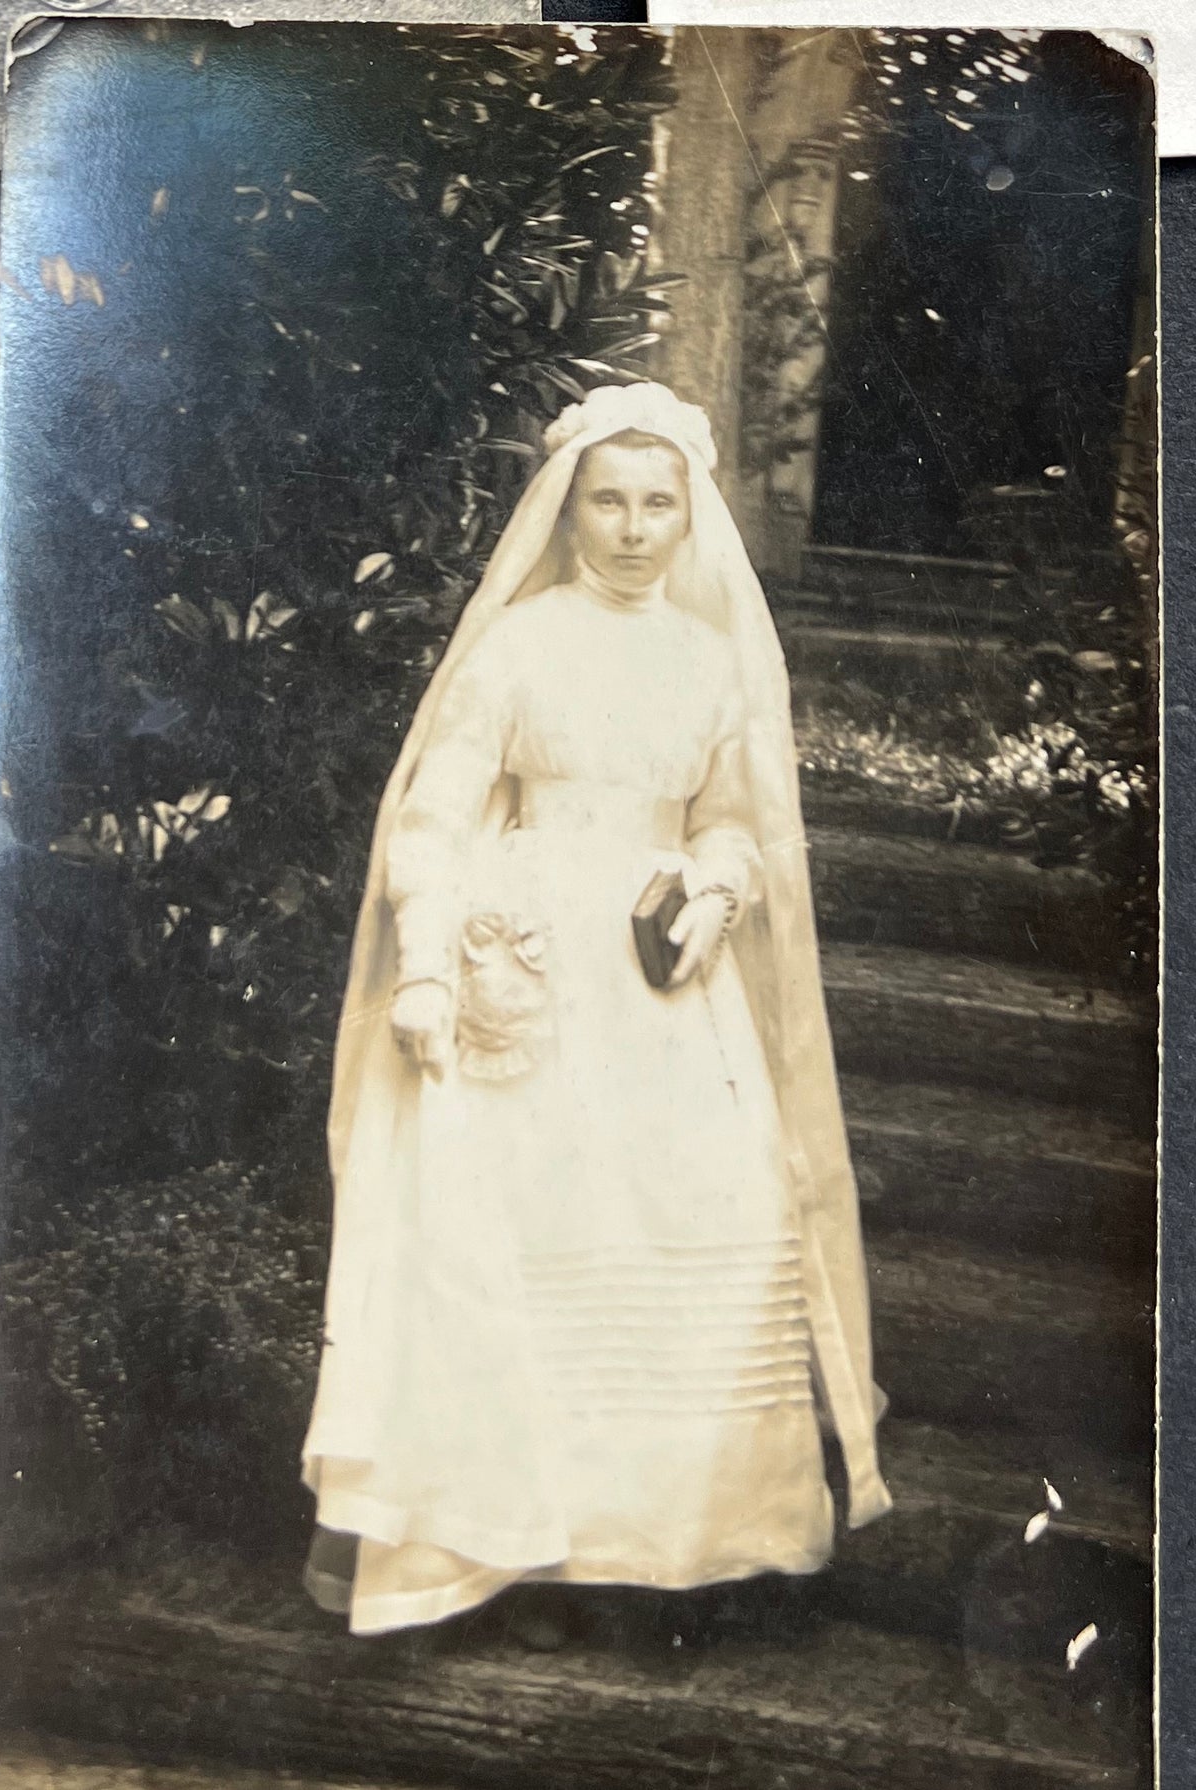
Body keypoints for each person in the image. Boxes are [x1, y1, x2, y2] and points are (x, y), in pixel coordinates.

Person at [300, 381, 891, 1638]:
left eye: (655, 504)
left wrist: (717, 883)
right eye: (607, 502)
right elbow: (433, 814)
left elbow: (727, 816)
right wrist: (425, 964)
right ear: (567, 512)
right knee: (533, 1240)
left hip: (662, 974)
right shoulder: (518, 645)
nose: (630, 529)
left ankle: (676, 1544)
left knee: (711, 1220)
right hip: (528, 979)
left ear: (689, 516)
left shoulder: (710, 658)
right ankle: (527, 1552)